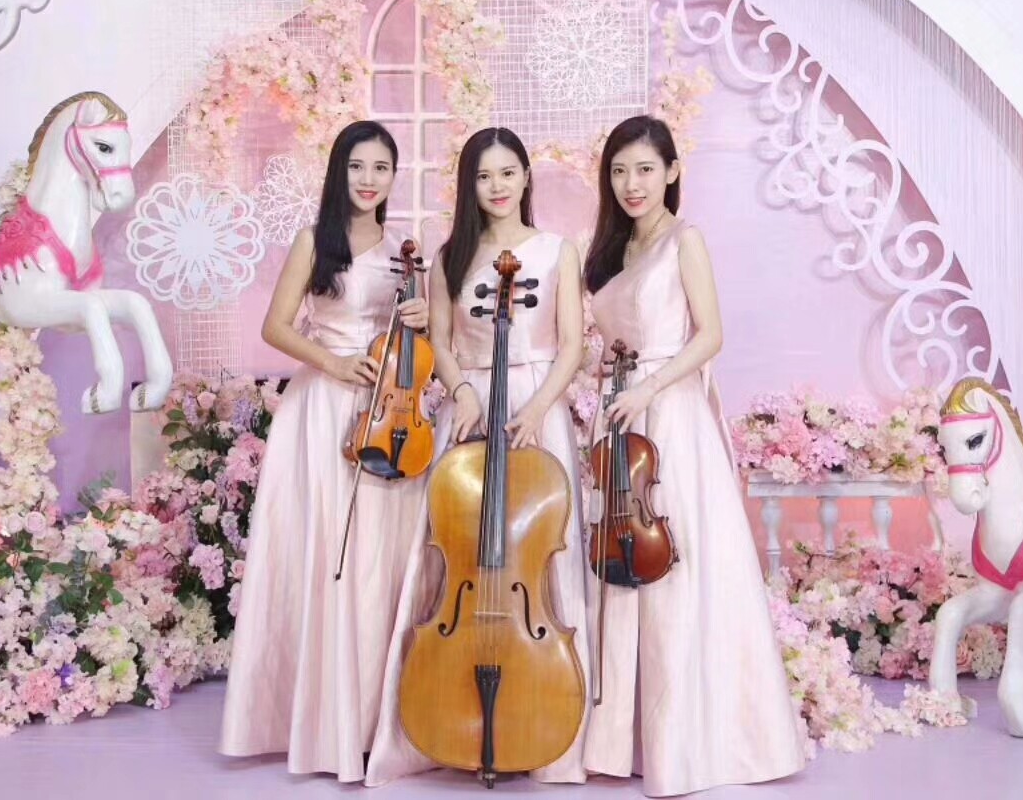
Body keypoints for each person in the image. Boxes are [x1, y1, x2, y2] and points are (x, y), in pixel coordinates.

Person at [581, 115, 806, 796]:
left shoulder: (687, 240)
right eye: (620, 171)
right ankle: (627, 739)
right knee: (626, 564)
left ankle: (689, 741)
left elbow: (709, 336)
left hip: (670, 415)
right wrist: (606, 378)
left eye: (646, 169)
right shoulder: (612, 252)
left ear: (673, 172)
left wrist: (649, 386)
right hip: (621, 416)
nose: (632, 183)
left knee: (675, 568)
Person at [364, 126, 591, 785]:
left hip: (536, 404)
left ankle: (545, 717)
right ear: (470, 184)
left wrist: (538, 408)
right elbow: (440, 339)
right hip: (470, 402)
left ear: (526, 177)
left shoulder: (557, 250)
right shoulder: (451, 256)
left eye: (508, 173)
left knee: (538, 555)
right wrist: (461, 390)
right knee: (455, 551)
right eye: (485, 176)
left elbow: (572, 345)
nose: (497, 186)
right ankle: (440, 711)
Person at [219, 120, 429, 782]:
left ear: (393, 177)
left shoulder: (403, 252)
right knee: (326, 560)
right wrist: (334, 364)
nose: (369, 179)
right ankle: (317, 723)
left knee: (376, 561)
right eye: (357, 166)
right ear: (340, 172)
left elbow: (421, 345)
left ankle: (368, 724)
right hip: (320, 411)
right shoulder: (315, 241)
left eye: (381, 168)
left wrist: (424, 317)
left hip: (387, 417)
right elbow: (275, 326)